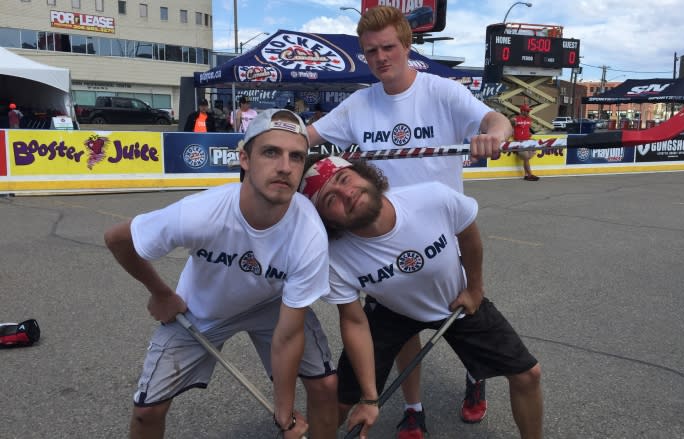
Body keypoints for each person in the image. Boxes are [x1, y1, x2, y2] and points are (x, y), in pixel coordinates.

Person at [104, 109, 378, 439]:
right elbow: (117, 238)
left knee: (325, 386)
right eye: (271, 152)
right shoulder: (201, 213)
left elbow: (288, 336)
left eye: (296, 157)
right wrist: (160, 292)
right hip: (203, 308)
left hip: (271, 305)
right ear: (245, 158)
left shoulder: (309, 233)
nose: (284, 166)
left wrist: (285, 411)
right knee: (147, 411)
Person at [306, 6, 512, 437]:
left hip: (444, 234)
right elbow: (304, 139)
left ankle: (475, 381)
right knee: (402, 332)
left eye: (388, 48)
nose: (381, 58)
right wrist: (268, 145)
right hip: (383, 239)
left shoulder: (441, 92)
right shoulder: (358, 105)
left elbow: (496, 119)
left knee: (464, 325)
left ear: (406, 45)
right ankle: (414, 408)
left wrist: (494, 135)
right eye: (371, 52)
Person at [299, 156, 544, 439]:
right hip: (390, 310)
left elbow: (467, 233)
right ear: (327, 220)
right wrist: (368, 397)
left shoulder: (431, 197)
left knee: (529, 374)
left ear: (364, 174)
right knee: (339, 402)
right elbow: (353, 321)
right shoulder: (332, 257)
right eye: (330, 200)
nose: (347, 193)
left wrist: (475, 288)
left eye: (345, 179)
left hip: (452, 299)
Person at [512, 105, 539, 181]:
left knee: (529, 155)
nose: (528, 112)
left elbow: (527, 129)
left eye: (529, 111)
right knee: (526, 158)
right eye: (527, 111)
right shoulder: (516, 119)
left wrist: (529, 134)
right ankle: (530, 175)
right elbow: (510, 126)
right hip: (519, 142)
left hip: (527, 141)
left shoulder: (529, 119)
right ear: (522, 111)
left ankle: (527, 175)